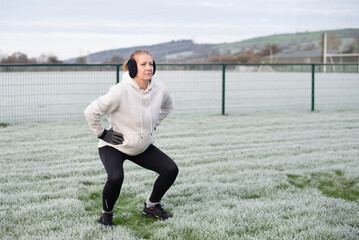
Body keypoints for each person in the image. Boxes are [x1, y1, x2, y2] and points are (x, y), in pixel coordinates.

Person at [84, 50, 178, 227]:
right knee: (116, 177)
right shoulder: (119, 91)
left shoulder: (159, 89)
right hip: (115, 145)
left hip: (141, 145)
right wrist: (103, 133)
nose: (148, 68)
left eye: (151, 64)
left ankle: (152, 206)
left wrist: (154, 124)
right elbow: (90, 112)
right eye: (143, 64)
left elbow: (168, 106)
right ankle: (106, 215)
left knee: (170, 169)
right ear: (133, 67)